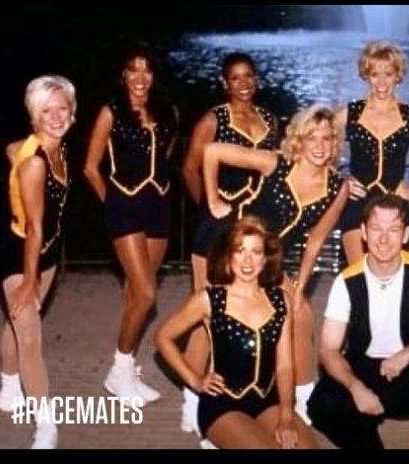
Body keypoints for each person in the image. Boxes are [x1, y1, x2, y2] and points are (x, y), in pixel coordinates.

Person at [203, 104, 350, 423]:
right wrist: (214, 200)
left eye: (327, 138)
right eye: (312, 137)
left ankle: (303, 396)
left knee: (301, 312)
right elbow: (212, 151)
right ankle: (194, 400)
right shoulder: (275, 163)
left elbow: (315, 241)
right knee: (213, 316)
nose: (320, 145)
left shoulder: (338, 187)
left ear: (335, 143)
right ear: (299, 139)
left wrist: (300, 286)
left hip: (269, 263)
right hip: (235, 251)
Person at [308, 194, 409, 449]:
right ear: (363, 232)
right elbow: (328, 350)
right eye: (376, 229)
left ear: (405, 235)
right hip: (368, 372)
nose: (383, 239)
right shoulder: (346, 281)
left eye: (393, 230)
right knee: (321, 403)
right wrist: (356, 387)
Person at [179, 52, 280, 436]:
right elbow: (191, 167)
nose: (243, 83)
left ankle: (240, 398)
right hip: (217, 233)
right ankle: (192, 399)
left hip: (253, 235)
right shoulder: (213, 119)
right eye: (235, 78)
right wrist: (210, 208)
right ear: (225, 83)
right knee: (206, 317)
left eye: (248, 76)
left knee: (243, 315)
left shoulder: (269, 119)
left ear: (257, 79)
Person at [154, 216, 316, 448]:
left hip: (268, 401)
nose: (248, 260)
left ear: (265, 259)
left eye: (256, 252)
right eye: (240, 251)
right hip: (222, 405)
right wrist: (195, 380)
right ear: (229, 257)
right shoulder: (209, 299)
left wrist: (286, 416)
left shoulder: (281, 301)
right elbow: (162, 337)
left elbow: (284, 366)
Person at [83, 43, 179, 403]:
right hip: (125, 208)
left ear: (154, 75)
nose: (140, 77)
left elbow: (165, 158)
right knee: (147, 294)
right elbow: (90, 168)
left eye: (146, 70)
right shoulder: (111, 111)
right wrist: (114, 204)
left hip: (158, 208)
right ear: (123, 75)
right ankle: (118, 369)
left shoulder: (167, 112)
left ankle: (126, 369)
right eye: (133, 70)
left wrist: (158, 190)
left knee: (135, 295)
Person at [0, 75, 76, 448]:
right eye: (46, 110)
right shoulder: (36, 164)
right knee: (30, 337)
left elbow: (11, 148)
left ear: (72, 111)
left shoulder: (59, 148)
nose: (56, 116)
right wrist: (29, 280)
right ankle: (46, 425)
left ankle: (8, 380)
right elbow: (33, 228)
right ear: (34, 116)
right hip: (21, 254)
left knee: (18, 323)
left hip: (48, 252)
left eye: (62, 108)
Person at [334, 40, 409, 264]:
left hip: (394, 207)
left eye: (388, 74)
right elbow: (311, 146)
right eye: (375, 74)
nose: (381, 82)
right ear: (366, 75)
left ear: (397, 76)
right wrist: (339, 182)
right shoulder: (349, 113)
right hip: (356, 204)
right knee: (358, 273)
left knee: (391, 275)